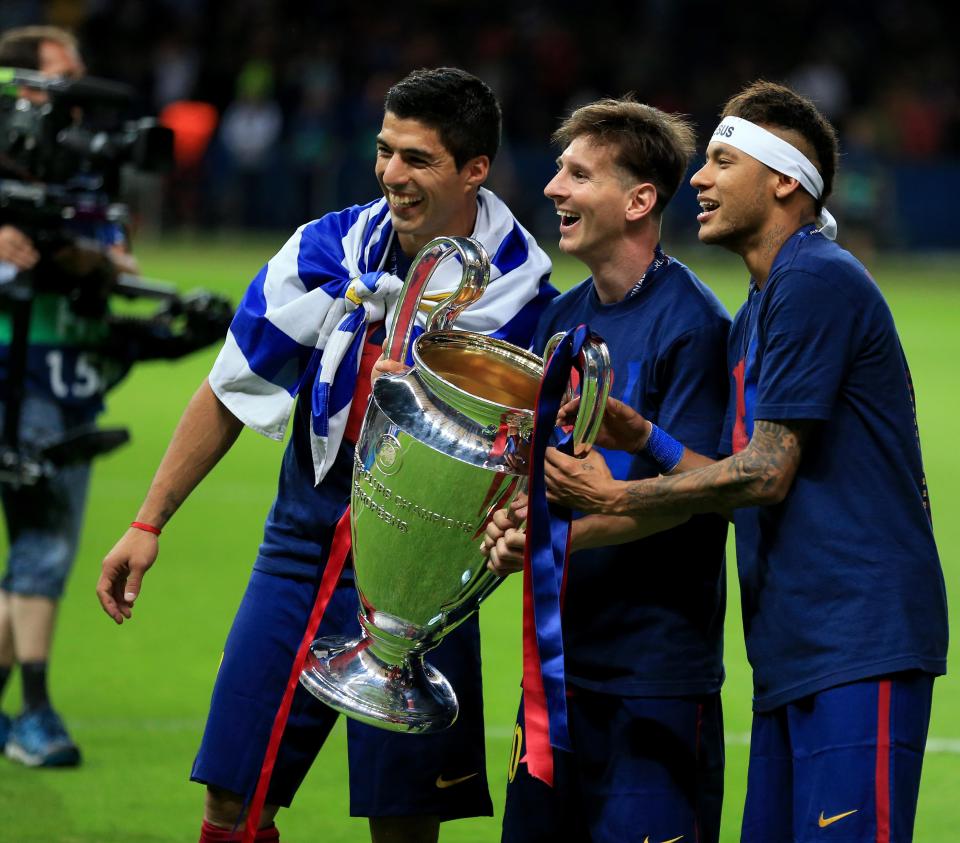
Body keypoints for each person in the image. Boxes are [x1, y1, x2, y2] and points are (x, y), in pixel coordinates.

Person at [96, 67, 555, 843]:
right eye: (385, 152)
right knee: (233, 800)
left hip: (420, 574)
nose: (391, 175)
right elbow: (231, 384)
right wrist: (149, 520)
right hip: (301, 544)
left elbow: (525, 457)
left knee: (403, 820)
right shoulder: (329, 249)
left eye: (418, 159)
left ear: (475, 169)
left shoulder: (522, 295)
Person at [544, 81, 948, 843]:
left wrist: (617, 499)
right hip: (792, 646)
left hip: (857, 638)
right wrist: (645, 439)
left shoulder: (814, 276)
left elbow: (765, 472)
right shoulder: (759, 306)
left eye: (722, 162)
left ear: (784, 181)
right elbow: (732, 476)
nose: (697, 178)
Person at [482, 97, 731, 843]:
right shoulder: (562, 319)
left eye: (578, 173)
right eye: (560, 170)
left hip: (654, 678)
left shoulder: (695, 326)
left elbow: (695, 495)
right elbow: (543, 469)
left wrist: (555, 542)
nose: (555, 188)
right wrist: (508, 514)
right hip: (558, 675)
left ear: (638, 200)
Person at [0, 25, 132, 768]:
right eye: (61, 79)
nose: (77, 94)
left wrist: (107, 258)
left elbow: (107, 256)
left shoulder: (79, 173)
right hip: (21, 370)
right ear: (20, 90)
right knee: (44, 546)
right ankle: (36, 714)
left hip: (65, 368)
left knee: (33, 545)